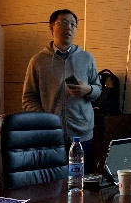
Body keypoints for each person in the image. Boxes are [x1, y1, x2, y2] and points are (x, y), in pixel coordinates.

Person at [22, 9, 102, 172]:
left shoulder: (86, 58)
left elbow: (98, 89)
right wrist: (46, 119)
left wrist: (88, 90)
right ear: (52, 27)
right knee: (53, 182)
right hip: (51, 135)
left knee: (81, 181)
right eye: (64, 22)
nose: (69, 27)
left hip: (82, 135)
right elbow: (28, 98)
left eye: (73, 24)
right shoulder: (38, 61)